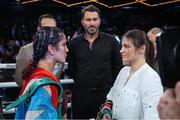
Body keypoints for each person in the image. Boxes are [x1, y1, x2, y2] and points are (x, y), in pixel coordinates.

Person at [67, 4, 122, 119]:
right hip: (80, 96)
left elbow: (117, 68)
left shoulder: (111, 42)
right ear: (82, 22)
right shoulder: (74, 44)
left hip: (104, 95)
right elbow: (71, 69)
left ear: (99, 21)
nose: (91, 23)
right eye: (88, 19)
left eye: (94, 19)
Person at [98, 30, 163, 119]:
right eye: (121, 46)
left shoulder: (151, 79)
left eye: (126, 46)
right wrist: (107, 112)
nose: (121, 51)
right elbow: (111, 98)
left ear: (141, 49)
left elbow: (152, 117)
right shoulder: (123, 71)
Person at [8, 27, 68, 119]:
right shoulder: (45, 85)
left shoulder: (35, 75)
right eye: (63, 45)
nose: (67, 49)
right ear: (51, 49)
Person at [15, 14, 63, 87]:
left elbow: (57, 76)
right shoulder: (26, 50)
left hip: (55, 95)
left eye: (53, 28)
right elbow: (19, 80)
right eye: (46, 28)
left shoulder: (59, 50)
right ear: (38, 29)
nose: (50, 31)